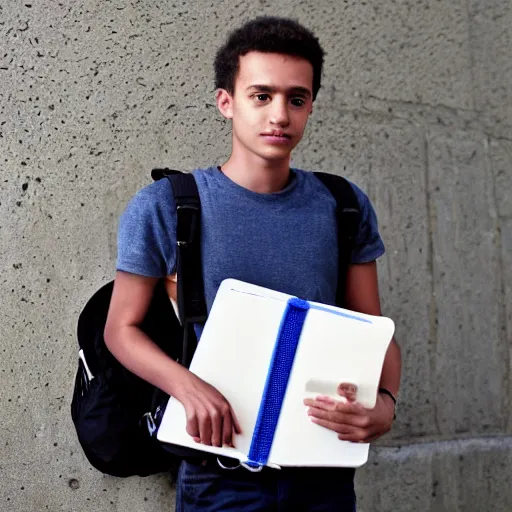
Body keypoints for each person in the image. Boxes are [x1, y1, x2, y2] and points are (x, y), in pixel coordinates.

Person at [104, 16, 401, 512]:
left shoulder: (343, 204)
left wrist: (387, 405)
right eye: (261, 96)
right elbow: (121, 328)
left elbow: (374, 330)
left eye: (296, 99)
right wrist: (188, 388)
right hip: (218, 474)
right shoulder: (169, 205)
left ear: (310, 107)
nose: (279, 115)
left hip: (322, 472)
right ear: (227, 102)